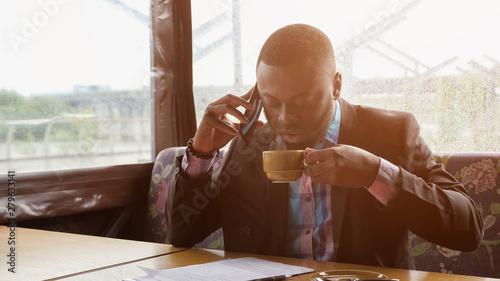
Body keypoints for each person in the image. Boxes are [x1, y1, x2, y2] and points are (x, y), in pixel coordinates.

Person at [165, 24, 484, 269]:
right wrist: (202, 152)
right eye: (271, 102)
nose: (285, 118)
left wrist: (376, 173)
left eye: (303, 100)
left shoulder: (392, 133)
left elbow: (468, 229)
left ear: (336, 84)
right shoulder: (249, 145)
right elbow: (181, 234)